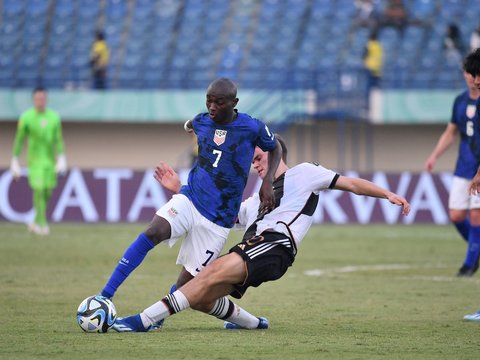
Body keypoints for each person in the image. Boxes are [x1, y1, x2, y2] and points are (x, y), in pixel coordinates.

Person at [111, 135, 410, 332]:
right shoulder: (255, 201)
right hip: (254, 249)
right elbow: (220, 216)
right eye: (250, 161)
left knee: (206, 274)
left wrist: (387, 194)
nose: (253, 165)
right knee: (200, 296)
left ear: (273, 152)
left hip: (276, 245)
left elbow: (351, 184)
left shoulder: (305, 173)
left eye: (257, 158)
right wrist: (180, 190)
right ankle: (252, 324)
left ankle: (144, 320)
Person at [99, 78, 282, 312]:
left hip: (218, 220)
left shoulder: (251, 127)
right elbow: (191, 125)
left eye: (219, 102)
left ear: (234, 103)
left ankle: (159, 318)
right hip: (191, 199)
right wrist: (189, 127)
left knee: (187, 286)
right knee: (154, 231)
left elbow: (275, 146)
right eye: (209, 101)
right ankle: (105, 296)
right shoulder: (202, 121)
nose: (212, 107)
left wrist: (267, 181)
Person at [425, 70, 480, 277]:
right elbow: (450, 132)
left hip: (479, 168)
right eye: (469, 73)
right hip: (463, 166)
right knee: (456, 215)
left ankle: (469, 264)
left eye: (475, 73)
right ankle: (475, 250)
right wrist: (434, 156)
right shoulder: (460, 101)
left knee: (476, 216)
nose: (472, 77)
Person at [10, 87, 67, 236]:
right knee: (39, 189)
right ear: (33, 100)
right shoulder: (26, 117)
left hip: (49, 161)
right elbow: (20, 139)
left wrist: (61, 157)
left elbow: (58, 139)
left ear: (46, 99)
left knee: (48, 191)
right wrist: (14, 159)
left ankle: (35, 221)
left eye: (42, 99)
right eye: (37, 99)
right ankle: (42, 224)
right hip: (34, 162)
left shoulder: (54, 117)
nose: (40, 101)